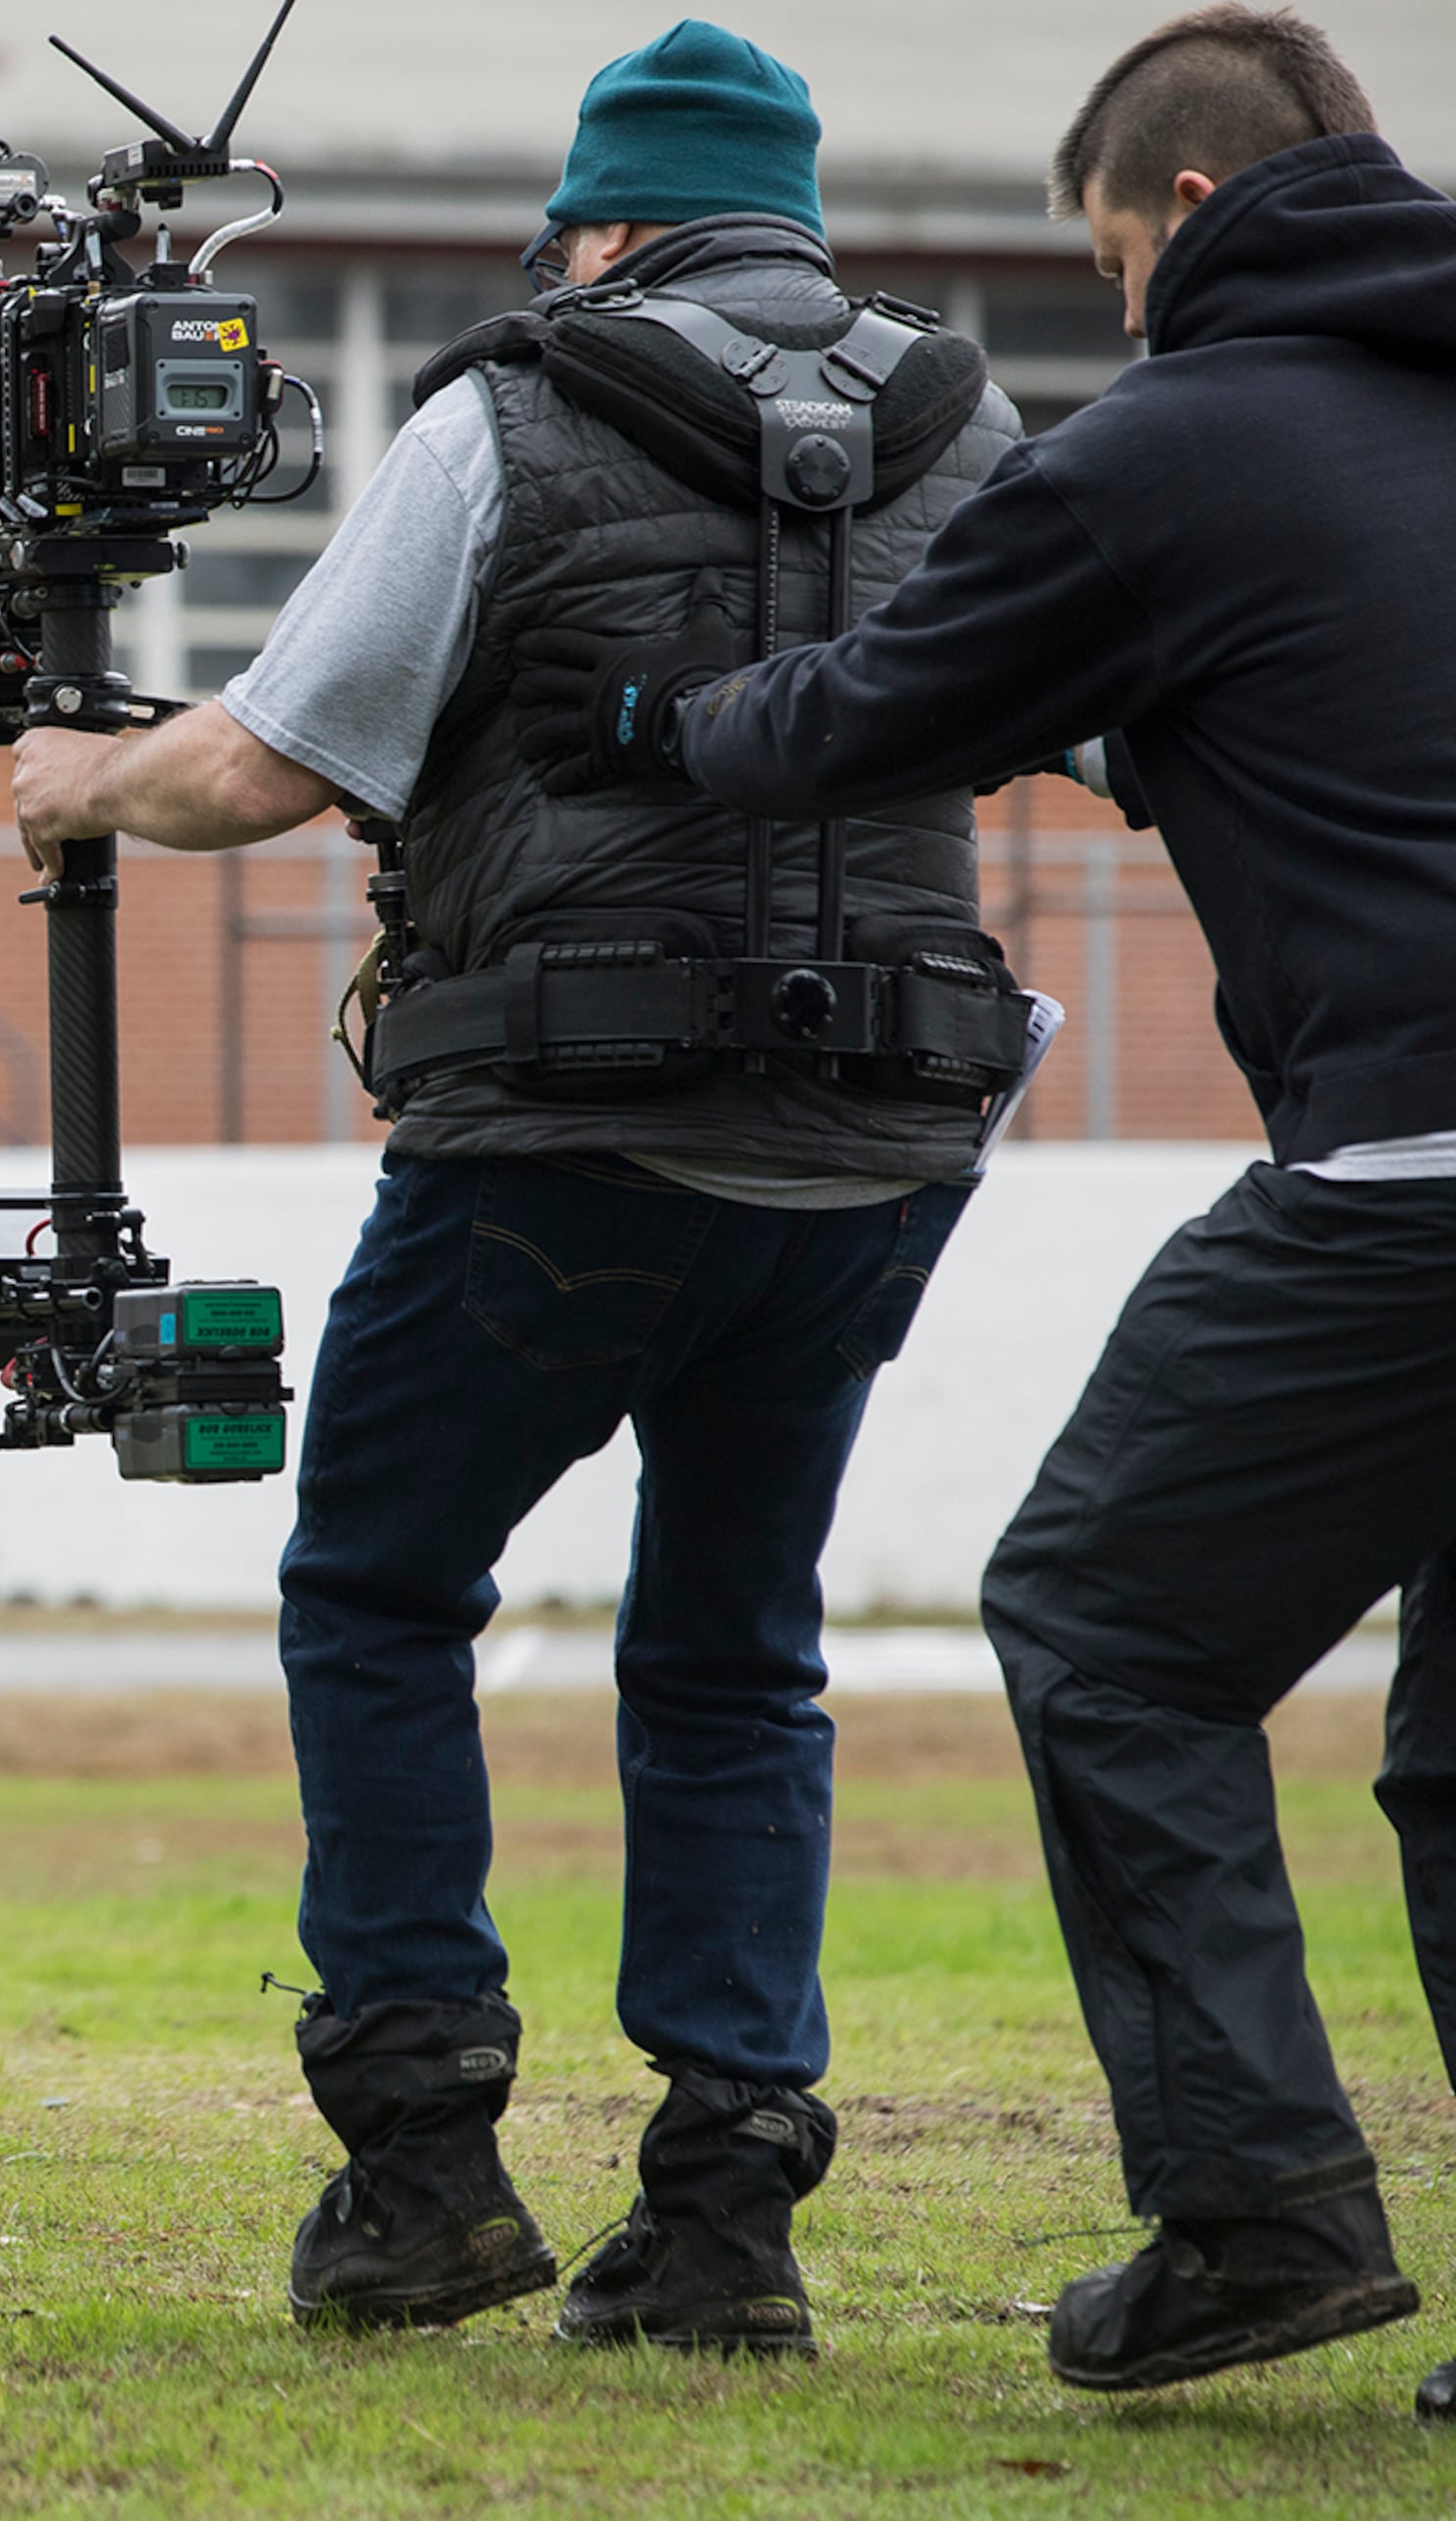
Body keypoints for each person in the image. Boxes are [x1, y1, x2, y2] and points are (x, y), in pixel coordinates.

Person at [11, 22, 1023, 2353]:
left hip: (563, 1135)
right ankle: (730, 2206)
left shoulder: (511, 408)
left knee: (380, 1589)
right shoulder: (971, 430)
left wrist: (79, 777)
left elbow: (266, 764)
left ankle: (425, 2155)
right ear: (795, 222)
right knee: (739, 1649)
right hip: (876, 1151)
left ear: (604, 223)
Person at [543, 7, 1454, 2398]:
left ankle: (1255, 2211)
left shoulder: (1173, 439)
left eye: (1113, 268)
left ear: (1182, 217)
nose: (1122, 315)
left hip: (1412, 1175)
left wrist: (662, 720)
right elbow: (1326, 686)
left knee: (1106, 1623)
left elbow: (865, 710)